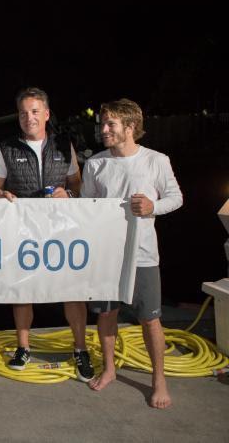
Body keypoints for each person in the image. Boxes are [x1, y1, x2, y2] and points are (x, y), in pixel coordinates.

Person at [82, 98, 182, 409]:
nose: (104, 129)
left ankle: (159, 380)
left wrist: (154, 207)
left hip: (143, 256)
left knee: (150, 319)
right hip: (106, 256)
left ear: (130, 127)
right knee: (106, 314)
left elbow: (176, 197)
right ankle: (110, 368)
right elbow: (86, 208)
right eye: (103, 123)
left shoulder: (156, 160)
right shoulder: (95, 164)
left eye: (110, 124)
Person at [0, 87, 94, 381]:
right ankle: (24, 347)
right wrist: (0, 195)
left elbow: (78, 184)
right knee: (23, 291)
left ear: (46, 114)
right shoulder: (5, 147)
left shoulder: (64, 144)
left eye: (35, 111)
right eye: (23, 112)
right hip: (23, 231)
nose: (29, 117)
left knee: (72, 291)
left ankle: (80, 349)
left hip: (62, 230)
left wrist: (68, 194)